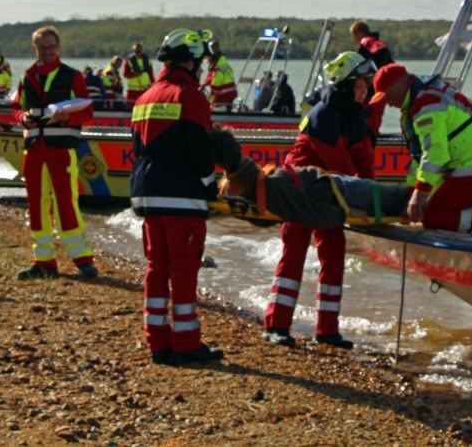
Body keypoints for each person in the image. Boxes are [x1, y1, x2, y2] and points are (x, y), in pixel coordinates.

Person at [263, 52, 376, 350]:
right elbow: (339, 165)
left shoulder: (356, 118)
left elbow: (363, 164)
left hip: (331, 192)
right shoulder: (323, 116)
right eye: (359, 85)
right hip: (302, 190)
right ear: (344, 85)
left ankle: (327, 330)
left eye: (367, 85)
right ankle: (276, 326)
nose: (364, 90)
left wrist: (372, 198)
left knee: (334, 254)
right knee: (294, 254)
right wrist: (355, 199)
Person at [130, 28, 224, 365]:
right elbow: (200, 149)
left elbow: (138, 149)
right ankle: (185, 344)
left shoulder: (144, 99)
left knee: (156, 268)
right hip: (182, 196)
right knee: (184, 269)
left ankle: (158, 342)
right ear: (191, 61)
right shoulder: (190, 96)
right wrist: (210, 185)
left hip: (146, 195)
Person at [371, 63, 472, 237]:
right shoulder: (420, 97)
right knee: (436, 207)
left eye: (387, 96)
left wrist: (420, 193)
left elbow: (435, 153)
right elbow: (419, 158)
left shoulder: (425, 105)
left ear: (400, 84)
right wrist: (413, 192)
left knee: (436, 217)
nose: (387, 103)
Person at [12, 25, 97, 280]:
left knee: (66, 203)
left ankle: (83, 260)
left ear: (58, 48)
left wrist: (67, 117)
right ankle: (44, 262)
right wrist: (22, 117)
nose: (47, 51)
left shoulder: (72, 76)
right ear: (34, 48)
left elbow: (88, 113)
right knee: (36, 206)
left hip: (61, 150)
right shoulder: (27, 77)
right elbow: (16, 107)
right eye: (42, 47)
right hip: (34, 150)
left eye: (51, 47)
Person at [211, 125, 407, 226]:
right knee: (405, 198)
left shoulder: (228, 187)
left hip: (336, 189)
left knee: (405, 201)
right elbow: (311, 213)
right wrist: (345, 213)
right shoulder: (270, 185)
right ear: (240, 148)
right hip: (346, 194)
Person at [202, 39, 238, 109]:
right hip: (231, 95)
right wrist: (205, 83)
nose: (208, 63)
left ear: (213, 60)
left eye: (209, 61)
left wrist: (209, 102)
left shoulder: (218, 71)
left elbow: (214, 90)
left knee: (216, 107)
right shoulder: (224, 64)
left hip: (223, 97)